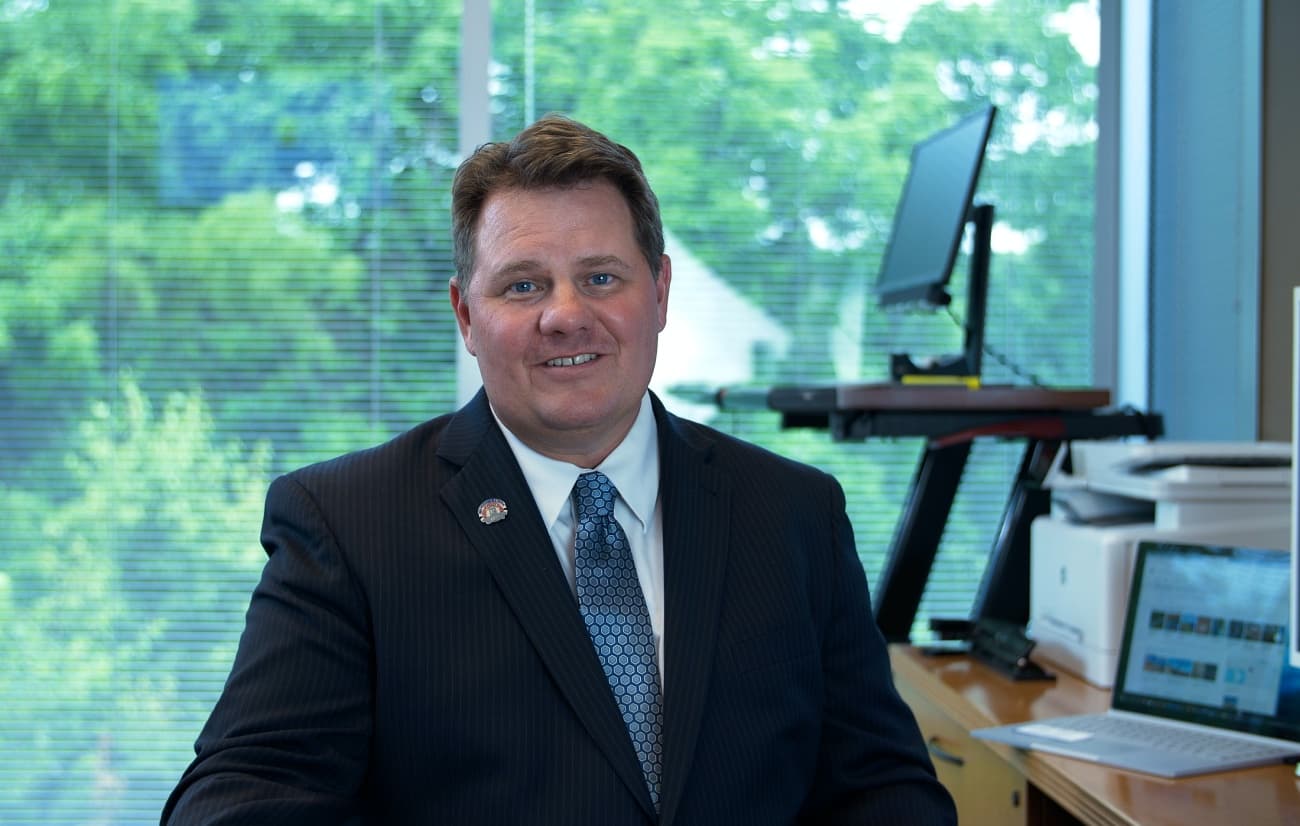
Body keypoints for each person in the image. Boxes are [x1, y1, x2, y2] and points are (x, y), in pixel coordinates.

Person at [162, 114, 957, 825]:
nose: (565, 314)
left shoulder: (793, 513)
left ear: (661, 292)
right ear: (466, 316)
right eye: (523, 285)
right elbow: (238, 797)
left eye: (601, 277)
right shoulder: (347, 525)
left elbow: (882, 786)